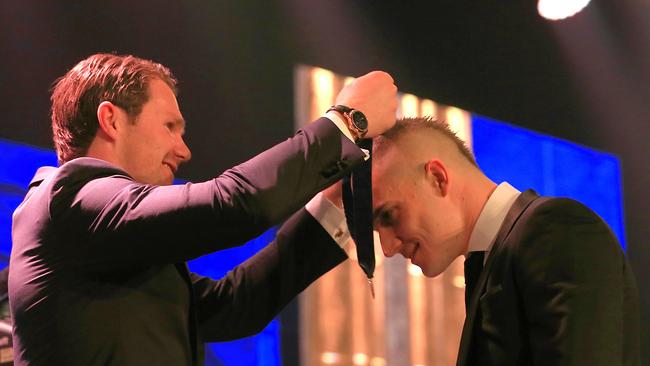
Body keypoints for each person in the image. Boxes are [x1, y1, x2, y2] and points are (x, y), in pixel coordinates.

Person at [8, 53, 397, 365]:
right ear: (111, 120)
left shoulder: (101, 238)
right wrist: (346, 123)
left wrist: (335, 208)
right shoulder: (68, 196)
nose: (184, 150)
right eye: (169, 127)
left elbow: (233, 306)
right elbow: (233, 204)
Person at [370, 116, 640, 366]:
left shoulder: (554, 227)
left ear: (438, 179)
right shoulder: (499, 258)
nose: (387, 247)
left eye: (389, 215)